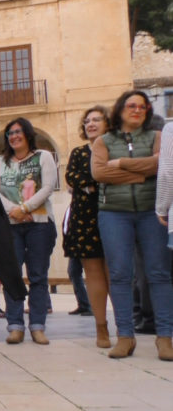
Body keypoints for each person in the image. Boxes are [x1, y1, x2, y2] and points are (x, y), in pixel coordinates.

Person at [92, 91, 173, 361]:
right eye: (131, 105)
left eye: (143, 106)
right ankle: (125, 336)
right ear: (120, 109)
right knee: (119, 275)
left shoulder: (158, 136)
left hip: (153, 213)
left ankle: (165, 337)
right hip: (114, 214)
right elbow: (100, 172)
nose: (137, 110)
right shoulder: (103, 141)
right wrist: (141, 174)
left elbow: (162, 165)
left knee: (159, 274)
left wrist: (123, 164)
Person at [0, 117, 57, 346]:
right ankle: (15, 326)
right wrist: (14, 211)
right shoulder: (1, 163)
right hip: (11, 225)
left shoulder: (43, 156)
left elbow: (48, 187)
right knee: (12, 275)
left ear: (28, 134)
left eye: (18, 131)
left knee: (38, 275)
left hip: (40, 224)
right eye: (10, 133)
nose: (14, 136)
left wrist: (24, 208)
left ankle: (38, 326)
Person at [62, 106, 111, 347]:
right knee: (92, 272)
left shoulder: (114, 149)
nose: (90, 124)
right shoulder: (79, 152)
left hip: (113, 213)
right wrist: (97, 181)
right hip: (84, 218)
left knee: (115, 273)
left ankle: (124, 326)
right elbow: (71, 176)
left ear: (108, 123)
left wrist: (91, 183)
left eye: (97, 119)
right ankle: (101, 328)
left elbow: (115, 174)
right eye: (87, 120)